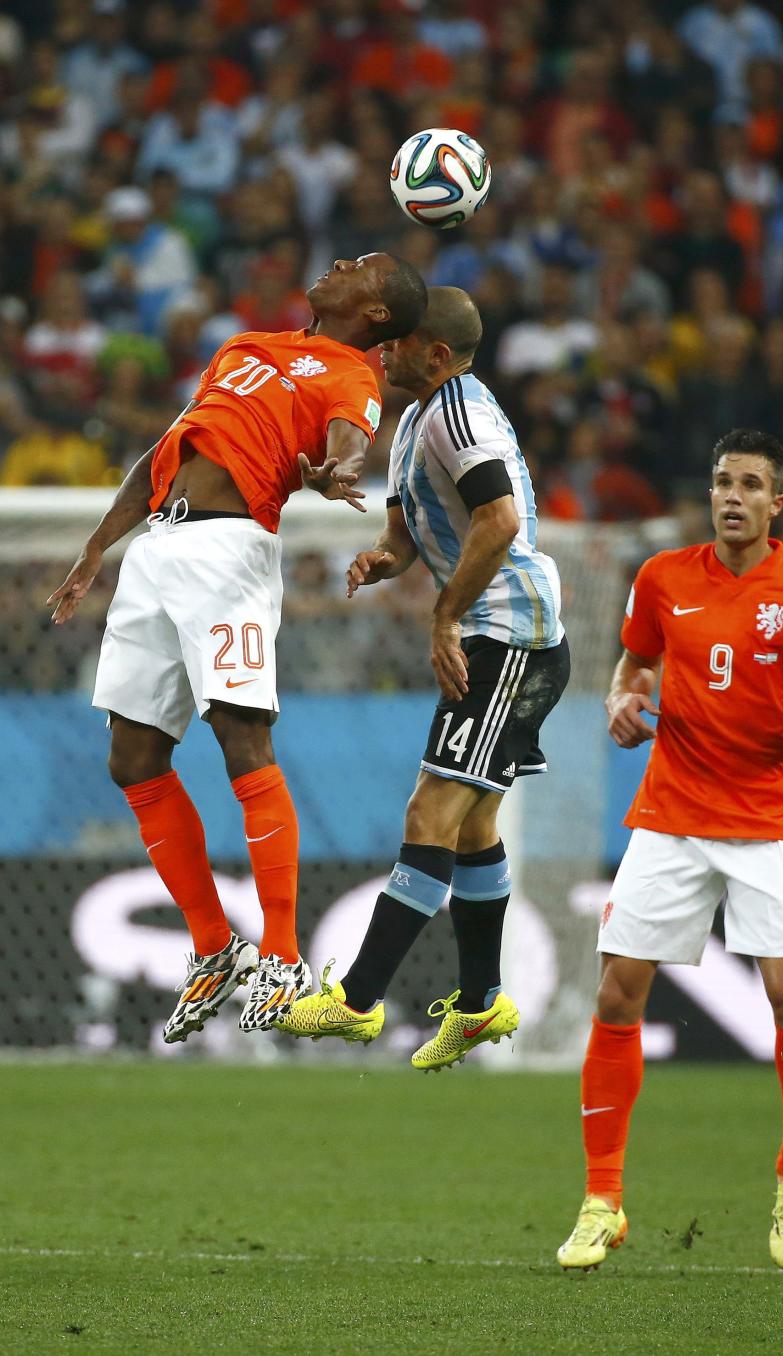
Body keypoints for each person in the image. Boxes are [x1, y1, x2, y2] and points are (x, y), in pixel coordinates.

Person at [47, 253, 428, 1043]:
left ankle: (284, 958)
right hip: (156, 547)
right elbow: (167, 450)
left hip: (230, 554)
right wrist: (96, 549)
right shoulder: (245, 347)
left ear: (378, 312)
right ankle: (215, 946)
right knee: (132, 759)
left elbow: (350, 439)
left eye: (362, 267)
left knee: (241, 737)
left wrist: (334, 472)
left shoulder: (351, 370)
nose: (339, 263)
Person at [556, 428, 783, 1274]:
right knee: (618, 995)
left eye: (748, 484)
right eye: (720, 481)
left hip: (769, 820)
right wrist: (621, 708)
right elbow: (631, 671)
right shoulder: (663, 579)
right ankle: (601, 1201)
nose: (730, 496)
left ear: (777, 502)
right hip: (670, 815)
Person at [278, 286, 570, 1069]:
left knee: (430, 810)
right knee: (470, 828)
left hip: (511, 636)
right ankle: (480, 1007)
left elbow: (500, 520)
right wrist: (387, 558)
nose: (384, 349)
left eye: (399, 341)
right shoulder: (419, 418)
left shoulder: (460, 416)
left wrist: (443, 618)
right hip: (492, 634)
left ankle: (358, 1000)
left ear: (435, 354)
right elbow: (410, 529)